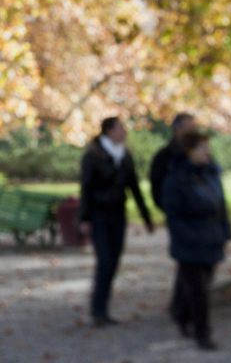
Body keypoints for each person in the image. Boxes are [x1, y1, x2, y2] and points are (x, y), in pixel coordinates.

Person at [79, 116, 154, 327]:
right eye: (121, 128)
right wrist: (84, 217)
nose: (124, 132)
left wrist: (145, 216)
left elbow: (134, 188)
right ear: (109, 131)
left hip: (118, 214)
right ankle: (98, 309)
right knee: (104, 261)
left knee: (113, 261)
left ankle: (103, 308)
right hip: (99, 215)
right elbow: (85, 188)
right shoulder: (93, 156)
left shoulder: (125, 156)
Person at [161, 130, 231, 351]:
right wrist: (189, 237)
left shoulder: (211, 174)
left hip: (211, 237)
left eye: (207, 148)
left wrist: (225, 231)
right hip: (190, 242)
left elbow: (221, 205)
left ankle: (182, 315)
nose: (206, 152)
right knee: (199, 290)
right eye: (201, 148)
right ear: (190, 151)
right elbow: (173, 215)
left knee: (198, 285)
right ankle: (203, 333)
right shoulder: (177, 179)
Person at [150, 112, 198, 328]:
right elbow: (157, 189)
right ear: (178, 129)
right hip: (178, 216)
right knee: (185, 258)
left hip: (198, 216)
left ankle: (183, 303)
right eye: (190, 127)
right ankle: (181, 305)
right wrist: (171, 209)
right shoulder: (164, 157)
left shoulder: (197, 153)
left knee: (194, 261)